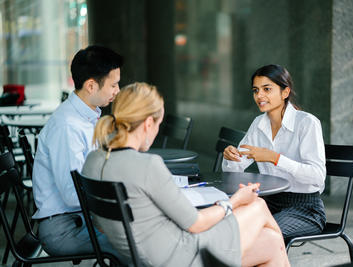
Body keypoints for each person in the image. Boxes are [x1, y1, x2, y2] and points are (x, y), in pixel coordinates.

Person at [82, 82, 290, 267]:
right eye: (158, 124)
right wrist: (234, 201)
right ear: (147, 123)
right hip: (181, 256)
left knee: (271, 243)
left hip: (138, 256)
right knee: (257, 205)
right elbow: (196, 223)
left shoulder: (93, 161)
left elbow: (102, 223)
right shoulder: (147, 165)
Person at [32, 45, 126, 262]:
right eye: (113, 84)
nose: (118, 91)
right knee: (136, 241)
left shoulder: (85, 118)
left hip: (80, 218)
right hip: (65, 228)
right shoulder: (68, 126)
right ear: (91, 85)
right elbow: (73, 194)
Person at [222, 64, 326, 242]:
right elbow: (233, 170)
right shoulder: (258, 124)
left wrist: (275, 158)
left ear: (285, 92)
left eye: (267, 89)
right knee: (224, 228)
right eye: (256, 90)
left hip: (305, 208)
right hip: (267, 202)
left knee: (257, 236)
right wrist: (230, 157)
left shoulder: (307, 123)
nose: (259, 96)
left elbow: (317, 177)